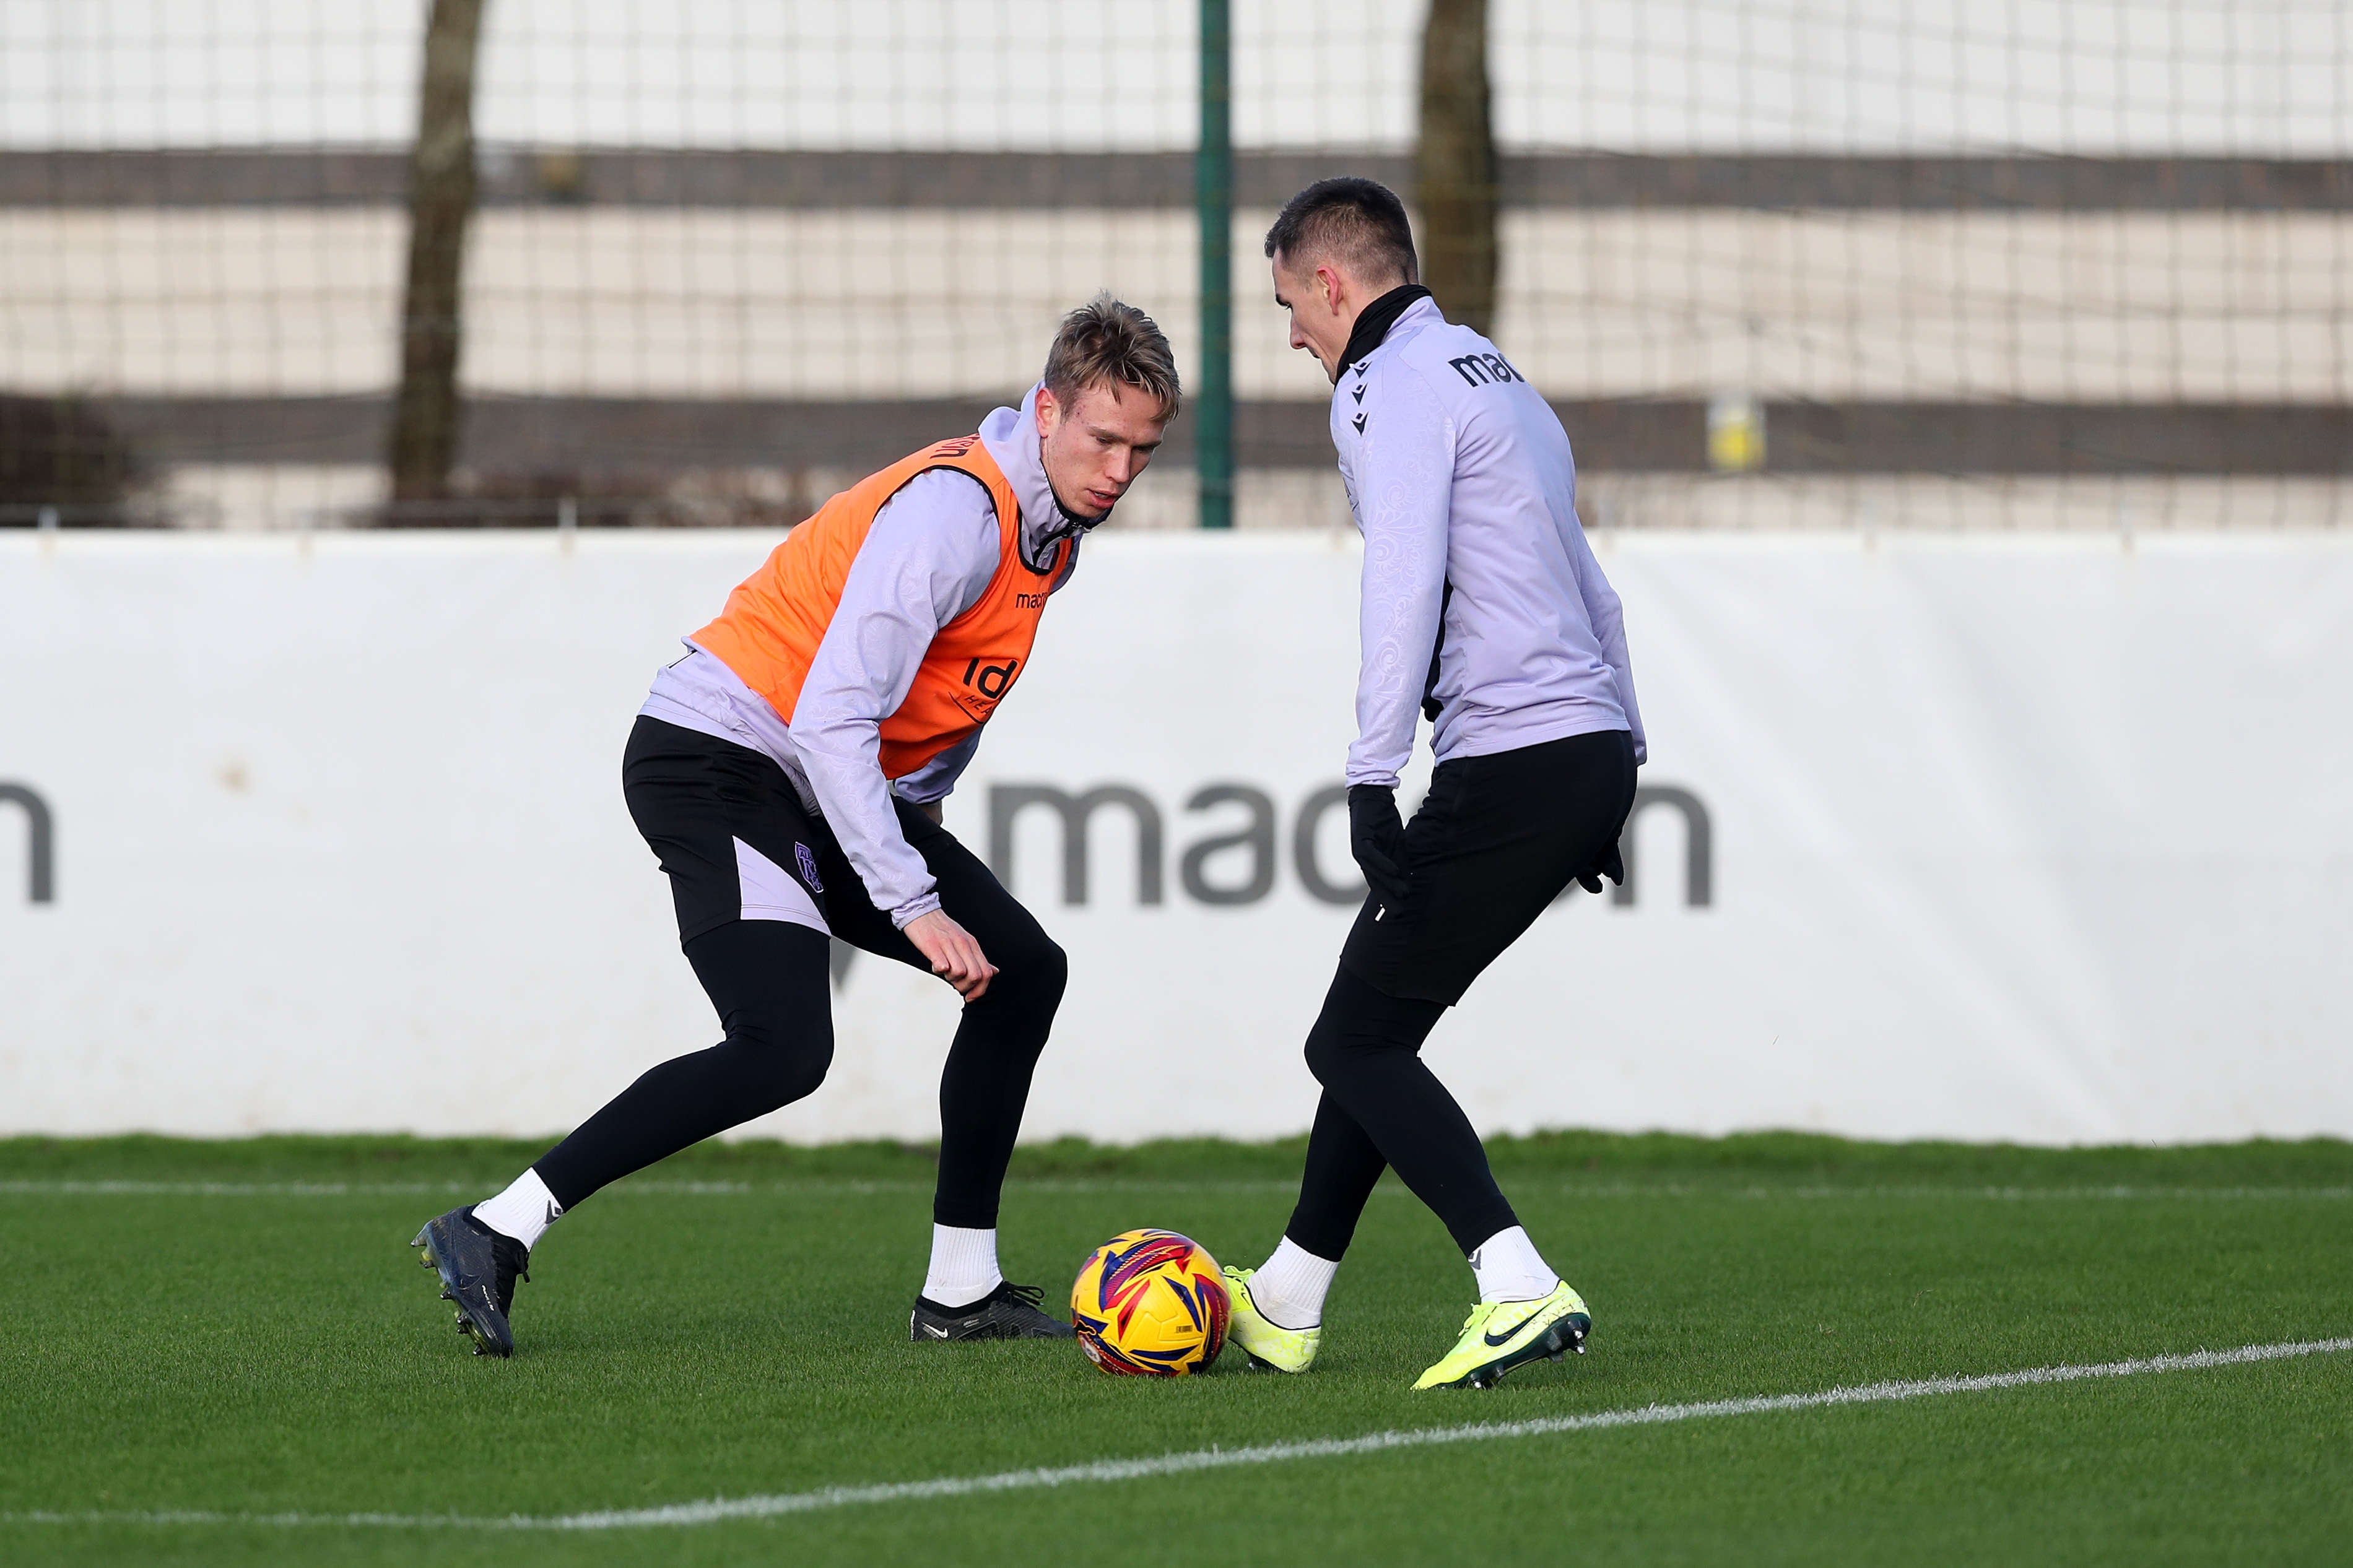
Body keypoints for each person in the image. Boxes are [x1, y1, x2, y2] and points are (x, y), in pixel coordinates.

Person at [412, 297, 1180, 1357]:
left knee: (1024, 971)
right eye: (1103, 438)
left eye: (1142, 448)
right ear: (1045, 411)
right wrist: (911, 901)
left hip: (820, 779)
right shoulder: (958, 512)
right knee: (782, 1044)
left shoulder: (1052, 531)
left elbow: (939, 698)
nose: (1120, 470)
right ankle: (495, 1226)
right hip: (717, 759)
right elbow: (831, 714)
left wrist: (918, 839)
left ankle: (960, 1288)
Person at [1220, 179, 1645, 1390]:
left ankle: (1513, 1279)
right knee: (1376, 1022)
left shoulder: (1382, 385)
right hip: (1578, 751)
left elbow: (1398, 581)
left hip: (1511, 754)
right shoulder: (1497, 376)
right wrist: (1623, 763)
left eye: (1289, 302)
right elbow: (1593, 587)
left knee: (1351, 1036)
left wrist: (1368, 778)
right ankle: (1288, 1299)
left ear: (1333, 283)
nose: (1291, 331)